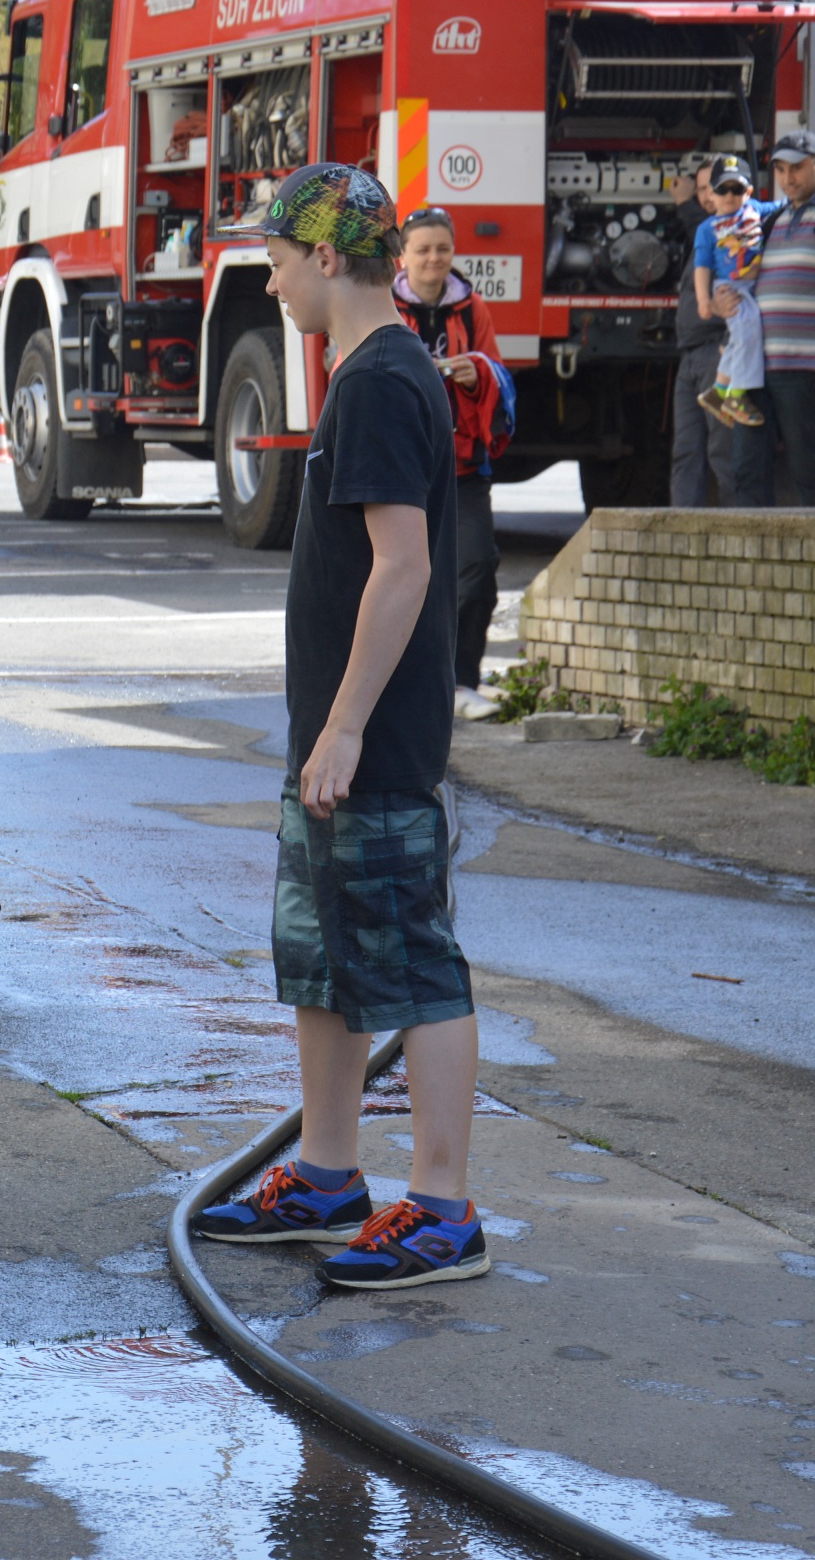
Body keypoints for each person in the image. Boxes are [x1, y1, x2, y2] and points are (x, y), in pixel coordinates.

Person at [188, 163, 489, 1292]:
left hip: (372, 741)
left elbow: (403, 568)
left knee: (411, 965)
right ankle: (325, 1173)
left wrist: (350, 725)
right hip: (331, 736)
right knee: (322, 959)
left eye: (275, 262)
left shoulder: (378, 382)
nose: (269, 284)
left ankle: (444, 1210)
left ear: (324, 257)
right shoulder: (367, 372)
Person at [392, 207, 513, 716]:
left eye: (442, 249)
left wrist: (475, 373)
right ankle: (402, 687)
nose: (433, 258)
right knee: (399, 578)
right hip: (401, 468)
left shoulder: (473, 307)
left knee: (478, 568)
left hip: (463, 465)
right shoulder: (383, 304)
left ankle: (462, 683)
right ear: (402, 256)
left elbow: (497, 372)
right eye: (422, 249)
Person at [718, 131, 815, 507]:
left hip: (807, 365)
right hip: (755, 367)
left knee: (806, 466)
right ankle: (755, 545)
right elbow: (749, 285)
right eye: (781, 169)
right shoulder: (774, 219)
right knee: (747, 469)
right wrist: (724, 303)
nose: (788, 178)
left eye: (797, 168)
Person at [668, 160, 737, 507]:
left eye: (715, 186)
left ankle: (741, 530)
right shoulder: (705, 232)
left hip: (717, 353)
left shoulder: (737, 229)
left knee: (724, 452)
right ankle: (681, 530)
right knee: (686, 452)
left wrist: (684, 204)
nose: (709, 196)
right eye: (701, 190)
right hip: (692, 354)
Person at [692, 159, 773, 429]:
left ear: (748, 192)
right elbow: (702, 267)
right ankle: (736, 396)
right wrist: (704, 301)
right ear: (710, 193)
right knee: (748, 333)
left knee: (739, 339)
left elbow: (787, 206)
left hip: (753, 287)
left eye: (736, 189)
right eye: (722, 189)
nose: (729, 196)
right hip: (730, 288)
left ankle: (717, 392)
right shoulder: (707, 229)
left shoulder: (755, 210)